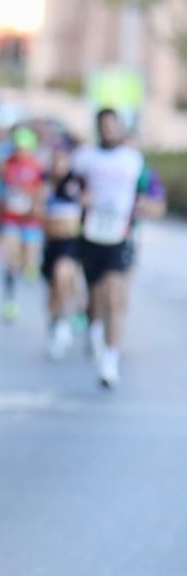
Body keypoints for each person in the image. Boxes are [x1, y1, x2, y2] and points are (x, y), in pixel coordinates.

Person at [71, 109, 167, 386]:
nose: (109, 131)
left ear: (121, 128)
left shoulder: (133, 162)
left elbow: (155, 200)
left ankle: (110, 362)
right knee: (95, 297)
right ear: (98, 128)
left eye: (114, 126)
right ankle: (94, 327)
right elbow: (65, 188)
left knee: (115, 296)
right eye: (104, 126)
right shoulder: (85, 159)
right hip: (91, 236)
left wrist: (147, 206)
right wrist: (80, 197)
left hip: (120, 237)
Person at [0, 126, 46, 322]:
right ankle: (10, 299)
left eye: (24, 148)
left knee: (30, 259)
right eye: (17, 147)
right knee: (10, 258)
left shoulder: (38, 167)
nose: (20, 151)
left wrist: (37, 206)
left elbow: (43, 192)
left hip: (30, 221)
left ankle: (29, 267)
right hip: (10, 218)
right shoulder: (5, 166)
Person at [38, 139, 85, 358]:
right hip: (51, 244)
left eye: (62, 162)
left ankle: (65, 321)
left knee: (63, 274)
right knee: (53, 288)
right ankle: (56, 322)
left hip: (71, 242)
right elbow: (35, 210)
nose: (58, 166)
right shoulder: (44, 184)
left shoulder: (76, 184)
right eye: (55, 162)